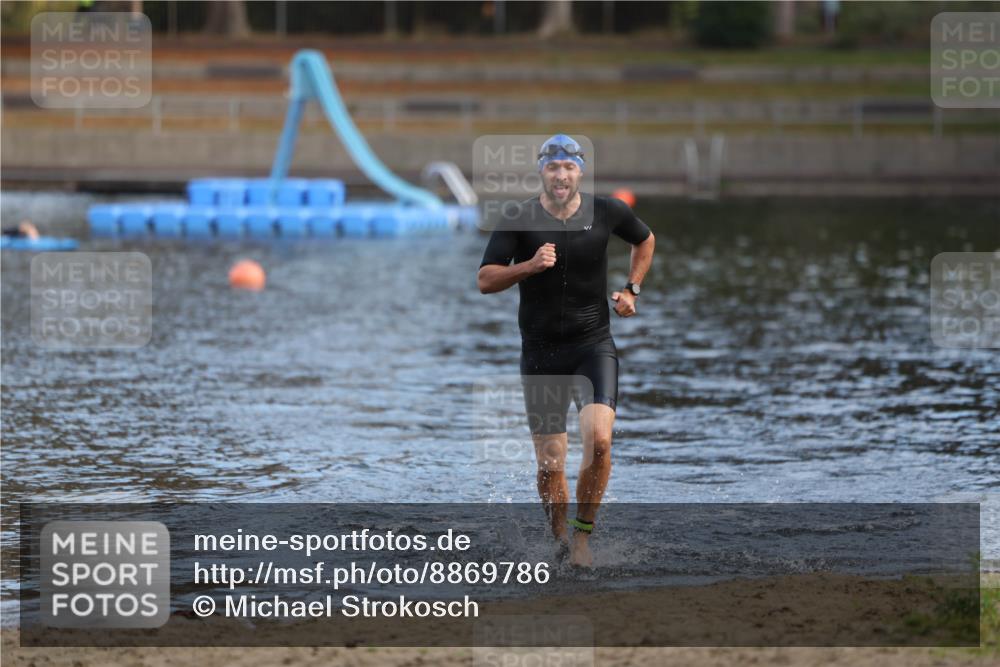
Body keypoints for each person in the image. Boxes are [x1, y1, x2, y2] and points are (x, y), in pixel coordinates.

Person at [477, 134, 655, 567]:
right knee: (550, 465)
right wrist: (529, 266)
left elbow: (644, 240)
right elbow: (485, 280)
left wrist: (633, 288)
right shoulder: (518, 218)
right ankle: (558, 538)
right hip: (540, 355)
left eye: (569, 167)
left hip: (592, 345)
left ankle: (581, 540)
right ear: (542, 170)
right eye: (553, 168)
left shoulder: (609, 210)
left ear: (580, 171)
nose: (561, 175)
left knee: (600, 441)